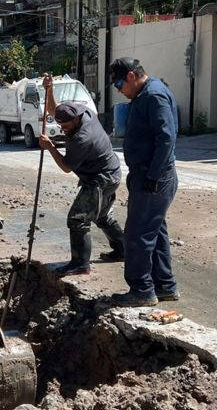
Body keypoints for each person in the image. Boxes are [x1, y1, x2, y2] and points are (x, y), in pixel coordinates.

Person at [109, 57, 180, 307]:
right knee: (155, 231)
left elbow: (166, 138)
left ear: (131, 76)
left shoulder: (153, 95)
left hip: (154, 176)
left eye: (119, 83)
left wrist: (152, 176)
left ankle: (142, 290)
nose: (119, 90)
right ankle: (165, 287)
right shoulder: (146, 94)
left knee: (137, 235)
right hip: (149, 174)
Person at [38, 73, 125, 276]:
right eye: (60, 125)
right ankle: (123, 250)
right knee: (102, 215)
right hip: (110, 172)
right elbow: (55, 110)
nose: (63, 128)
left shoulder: (82, 139)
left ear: (76, 119)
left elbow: (67, 167)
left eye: (66, 126)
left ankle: (80, 264)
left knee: (77, 219)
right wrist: (49, 89)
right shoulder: (83, 112)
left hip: (101, 179)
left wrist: (50, 147)